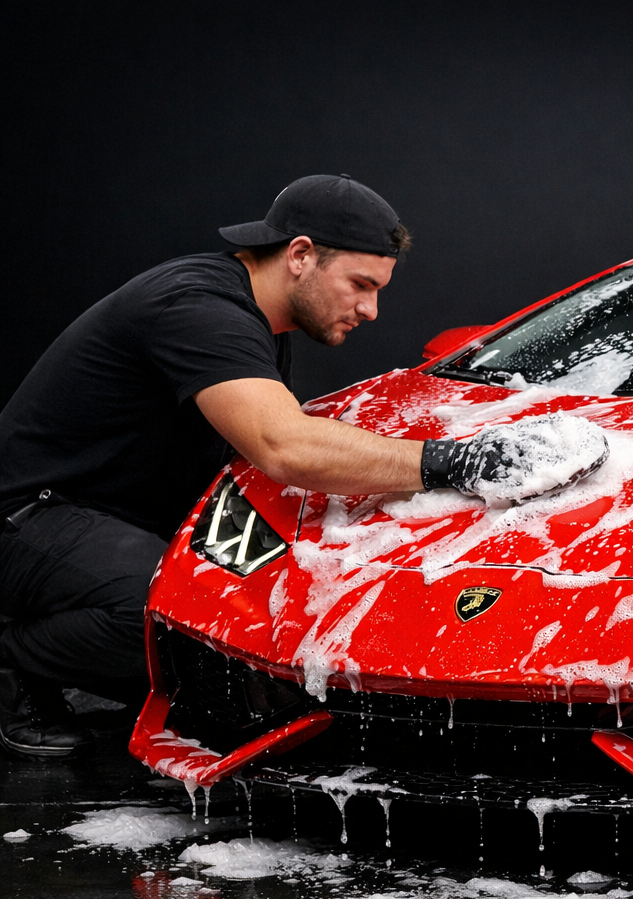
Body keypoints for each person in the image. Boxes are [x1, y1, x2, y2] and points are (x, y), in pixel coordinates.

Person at [0, 174, 523, 758]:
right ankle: (13, 659)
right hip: (28, 518)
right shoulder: (199, 307)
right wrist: (456, 462)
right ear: (300, 255)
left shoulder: (255, 316)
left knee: (247, 608)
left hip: (110, 518)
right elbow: (285, 447)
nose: (371, 310)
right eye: (359, 285)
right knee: (174, 618)